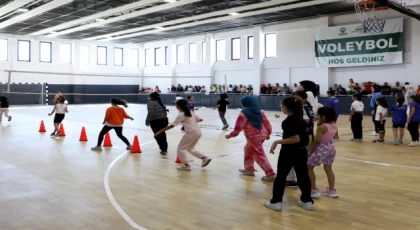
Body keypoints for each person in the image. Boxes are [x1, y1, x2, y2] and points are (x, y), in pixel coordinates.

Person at [265, 97, 313, 211]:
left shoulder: (288, 122)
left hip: (289, 152)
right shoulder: (301, 119)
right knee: (303, 177)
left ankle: (276, 202)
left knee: (281, 177)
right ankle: (307, 201)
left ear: (285, 107)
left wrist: (277, 142)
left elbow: (295, 139)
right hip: (301, 151)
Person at [225, 96, 276, 182]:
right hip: (262, 134)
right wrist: (268, 134)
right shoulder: (260, 111)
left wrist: (231, 135)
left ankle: (270, 174)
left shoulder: (244, 112)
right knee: (248, 149)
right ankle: (249, 169)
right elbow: (267, 124)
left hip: (253, 137)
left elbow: (238, 127)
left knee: (259, 155)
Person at [155, 99, 212, 171]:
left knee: (180, 149)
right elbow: (200, 119)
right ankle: (204, 158)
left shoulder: (181, 114)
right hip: (198, 131)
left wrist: (160, 131)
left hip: (191, 132)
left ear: (178, 106)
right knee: (190, 148)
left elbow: (172, 125)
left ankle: (186, 165)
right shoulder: (190, 112)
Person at [308, 107, 339, 199]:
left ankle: (313, 190)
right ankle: (331, 190)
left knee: (309, 168)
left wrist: (311, 151)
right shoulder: (334, 125)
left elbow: (317, 141)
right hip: (331, 148)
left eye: (319, 115)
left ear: (323, 117)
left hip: (321, 148)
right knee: (328, 168)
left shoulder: (321, 127)